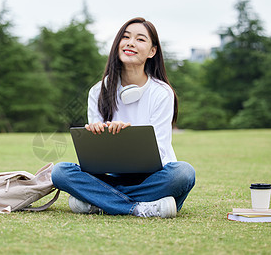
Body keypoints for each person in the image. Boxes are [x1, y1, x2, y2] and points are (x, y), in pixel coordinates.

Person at [51, 17, 195, 218]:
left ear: (152, 51)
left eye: (140, 39)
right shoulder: (98, 91)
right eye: (125, 37)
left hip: (152, 177)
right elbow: (96, 157)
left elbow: (161, 149)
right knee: (59, 172)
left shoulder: (162, 92)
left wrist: (128, 134)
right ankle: (140, 208)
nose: (130, 43)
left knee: (184, 173)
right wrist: (100, 133)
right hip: (109, 176)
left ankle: (99, 202)